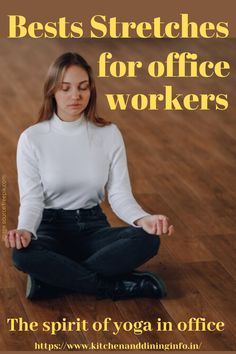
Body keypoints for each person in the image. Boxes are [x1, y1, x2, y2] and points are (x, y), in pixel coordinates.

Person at [5, 52, 174, 301]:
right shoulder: (32, 138)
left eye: (83, 87)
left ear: (91, 90)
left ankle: (56, 281)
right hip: (50, 229)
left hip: (93, 228)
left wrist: (143, 218)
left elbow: (119, 195)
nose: (76, 96)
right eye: (66, 88)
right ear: (52, 91)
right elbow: (32, 200)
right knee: (22, 255)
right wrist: (25, 230)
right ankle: (116, 286)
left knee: (148, 240)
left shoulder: (109, 134)